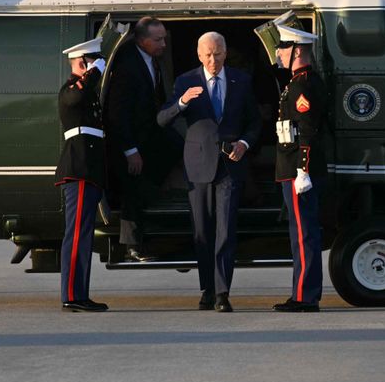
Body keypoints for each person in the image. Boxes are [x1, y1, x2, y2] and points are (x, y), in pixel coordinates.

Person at [157, 32, 260, 312]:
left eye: (217, 54)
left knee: (225, 230)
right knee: (202, 232)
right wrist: (182, 103)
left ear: (225, 53)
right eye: (207, 55)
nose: (212, 60)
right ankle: (207, 288)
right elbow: (162, 119)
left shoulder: (241, 81)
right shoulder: (185, 81)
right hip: (198, 166)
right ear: (199, 56)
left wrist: (244, 142)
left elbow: (255, 122)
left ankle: (222, 293)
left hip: (229, 165)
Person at [105, 16, 171, 262]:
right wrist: (130, 150)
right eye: (158, 40)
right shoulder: (128, 65)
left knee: (175, 148)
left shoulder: (151, 60)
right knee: (132, 188)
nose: (163, 44)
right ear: (142, 41)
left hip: (148, 133)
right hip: (130, 139)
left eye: (164, 38)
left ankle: (151, 198)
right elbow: (117, 113)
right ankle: (132, 245)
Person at [272, 24, 327, 313]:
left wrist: (302, 170)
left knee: (304, 234)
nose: (278, 53)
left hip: (297, 170)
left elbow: (307, 130)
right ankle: (302, 293)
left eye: (283, 48)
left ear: (297, 51)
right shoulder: (297, 82)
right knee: (300, 233)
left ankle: (305, 296)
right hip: (293, 168)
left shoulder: (303, 84)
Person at [55, 36, 109, 312]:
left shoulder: (86, 92)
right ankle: (72, 296)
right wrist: (95, 70)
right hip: (79, 168)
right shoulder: (70, 90)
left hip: (89, 169)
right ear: (82, 63)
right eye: (91, 60)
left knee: (83, 234)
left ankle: (78, 294)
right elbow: (77, 95)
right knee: (77, 234)